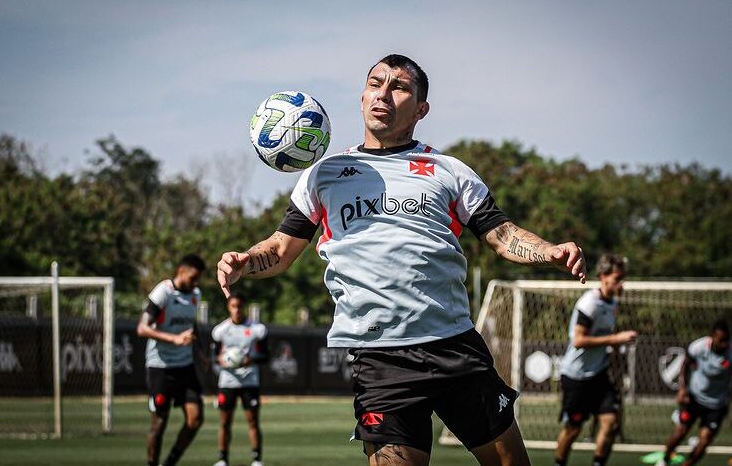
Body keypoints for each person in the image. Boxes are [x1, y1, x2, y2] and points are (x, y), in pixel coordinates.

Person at [218, 54, 587, 466]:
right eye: (376, 83)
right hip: (381, 359)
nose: (384, 94)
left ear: (421, 109)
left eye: (400, 87)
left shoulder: (448, 170)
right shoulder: (323, 174)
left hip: (454, 347)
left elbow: (501, 235)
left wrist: (549, 251)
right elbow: (281, 250)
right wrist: (246, 261)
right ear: (361, 98)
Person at [554, 253, 637, 466]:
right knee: (573, 429)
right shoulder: (589, 304)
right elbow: (579, 340)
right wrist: (615, 338)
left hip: (599, 374)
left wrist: (616, 366)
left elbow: (609, 342)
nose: (621, 282)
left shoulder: (612, 304)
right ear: (603, 276)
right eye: (617, 278)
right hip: (576, 376)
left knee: (610, 423)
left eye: (623, 277)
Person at [137, 254, 207, 466]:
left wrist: (200, 352)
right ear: (181, 270)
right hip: (160, 367)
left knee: (195, 420)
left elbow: (191, 325)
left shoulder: (195, 294)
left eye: (198, 279)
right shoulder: (163, 292)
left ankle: (169, 463)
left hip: (185, 366)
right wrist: (174, 339)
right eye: (193, 277)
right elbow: (142, 328)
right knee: (159, 423)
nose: (195, 283)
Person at [656, 319, 732, 466]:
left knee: (704, 441)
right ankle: (664, 459)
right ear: (712, 337)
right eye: (721, 340)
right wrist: (682, 389)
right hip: (695, 399)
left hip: (716, 405)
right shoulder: (698, 347)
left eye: (726, 340)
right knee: (680, 432)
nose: (724, 344)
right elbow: (685, 365)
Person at [211, 292, 269, 466]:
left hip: (249, 381)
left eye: (239, 306)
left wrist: (251, 360)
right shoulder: (220, 331)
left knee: (253, 421)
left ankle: (257, 460)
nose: (236, 310)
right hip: (227, 381)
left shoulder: (257, 330)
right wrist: (220, 360)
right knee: (225, 422)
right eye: (233, 306)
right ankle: (222, 459)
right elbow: (214, 356)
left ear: (244, 308)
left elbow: (266, 356)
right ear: (228, 308)